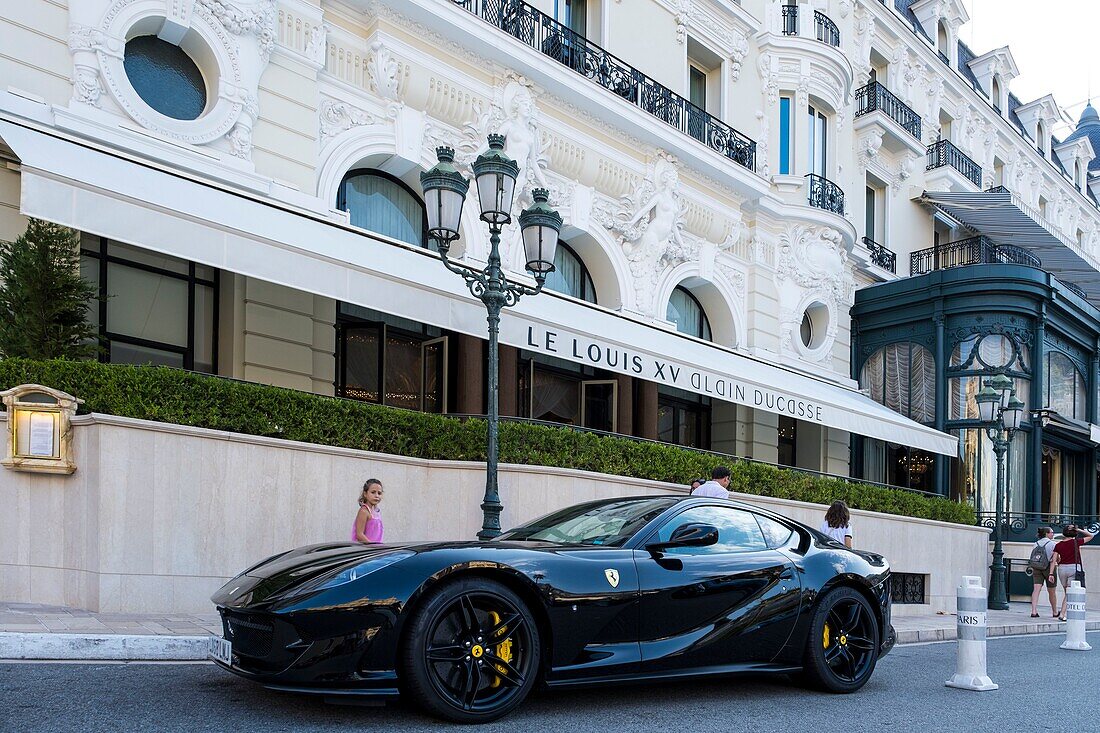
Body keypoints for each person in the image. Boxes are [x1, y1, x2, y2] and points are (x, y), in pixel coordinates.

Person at [1050, 523, 1093, 621]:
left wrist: (1051, 573)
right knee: (1069, 593)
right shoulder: (1076, 542)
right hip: (1073, 568)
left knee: (1067, 592)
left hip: (1061, 569)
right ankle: (1062, 614)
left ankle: (1064, 611)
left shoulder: (1058, 545)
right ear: (1074, 533)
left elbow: (1053, 560)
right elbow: (1091, 536)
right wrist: (1078, 530)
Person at [1028, 526, 1057, 618]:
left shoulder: (1036, 543)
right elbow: (1055, 559)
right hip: (1049, 568)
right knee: (1051, 591)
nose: (1053, 534)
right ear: (1047, 534)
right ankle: (1055, 612)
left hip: (1036, 567)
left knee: (1036, 589)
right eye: (1051, 532)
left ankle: (1033, 611)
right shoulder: (1052, 544)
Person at [352, 478, 384, 543]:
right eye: (373, 492)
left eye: (379, 493)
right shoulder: (364, 511)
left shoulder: (376, 512)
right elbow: (359, 534)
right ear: (365, 494)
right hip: (366, 549)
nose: (376, 496)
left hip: (376, 549)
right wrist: (372, 546)